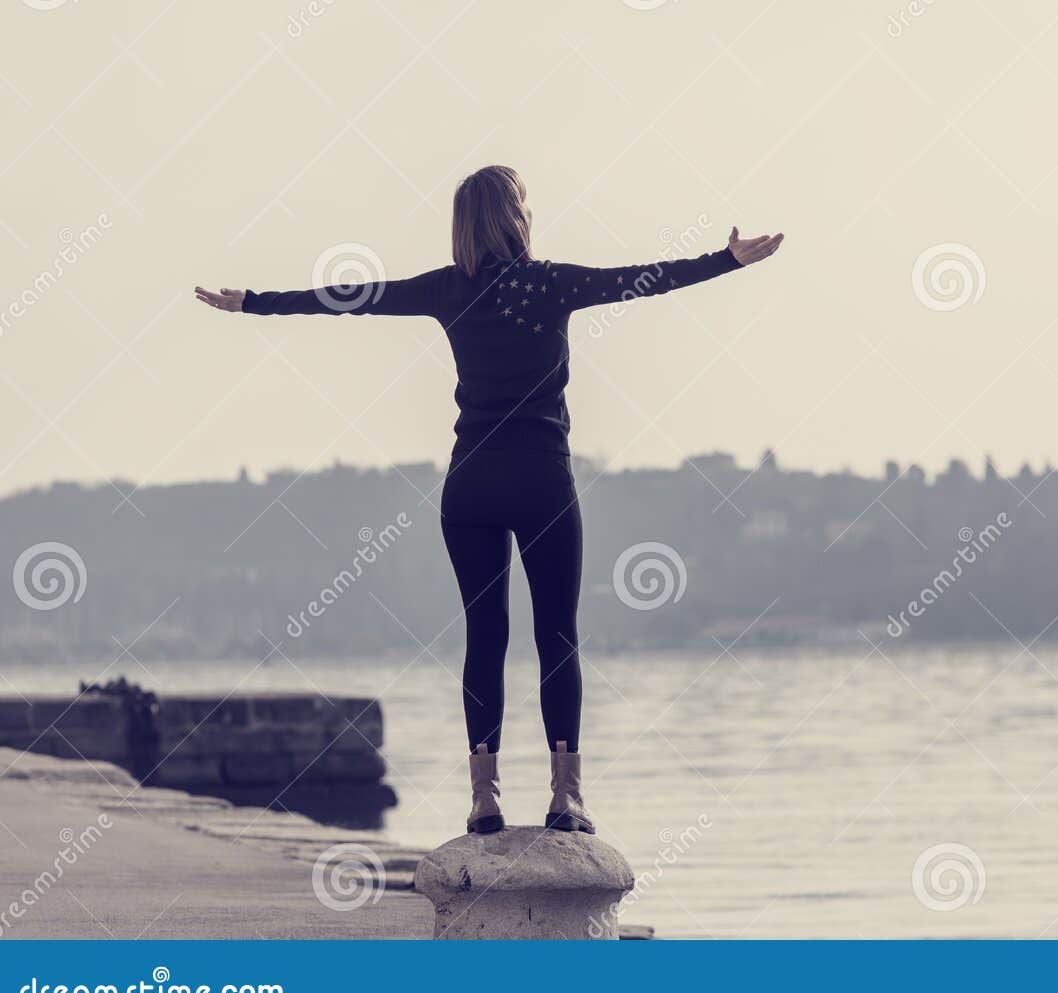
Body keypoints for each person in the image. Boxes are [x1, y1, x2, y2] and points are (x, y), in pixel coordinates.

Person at [196, 164, 784, 835]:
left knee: (486, 636)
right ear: (512, 216)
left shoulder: (448, 288)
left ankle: (484, 797)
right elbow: (643, 280)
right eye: (525, 204)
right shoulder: (553, 281)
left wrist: (254, 302)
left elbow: (350, 296)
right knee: (556, 637)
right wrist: (726, 260)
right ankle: (566, 797)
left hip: (470, 484)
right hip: (541, 479)